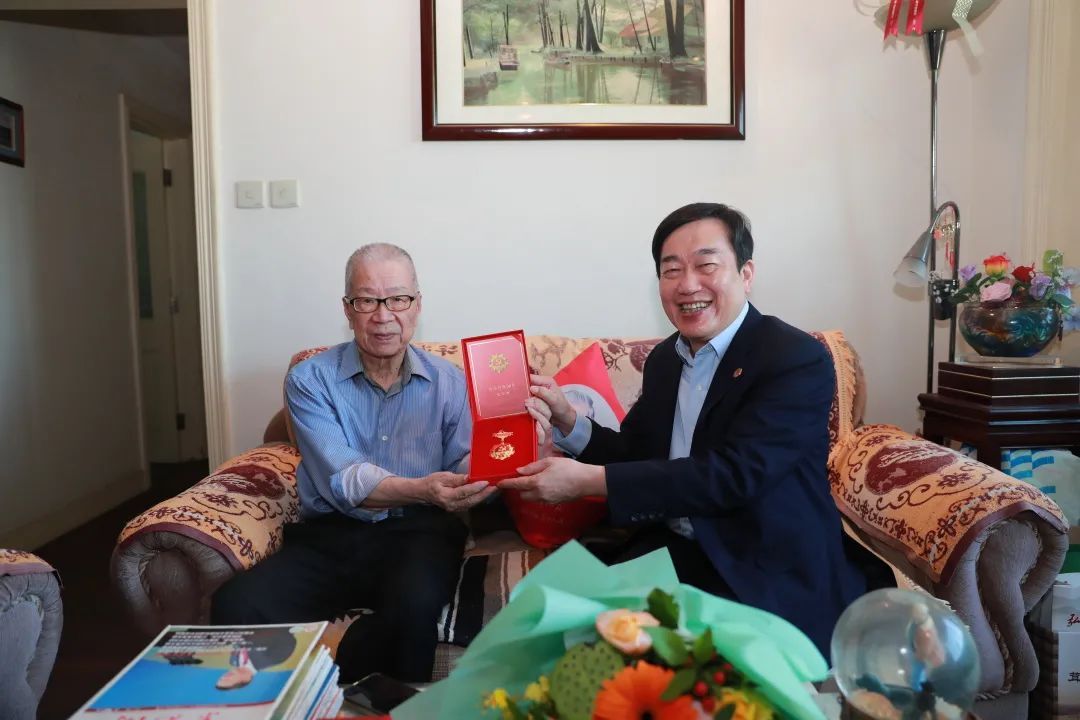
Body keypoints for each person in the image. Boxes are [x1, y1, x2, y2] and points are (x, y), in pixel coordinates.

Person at [502, 203, 871, 657]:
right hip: (675, 546)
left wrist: (589, 482)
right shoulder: (666, 360)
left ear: (746, 274)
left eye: (706, 265)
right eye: (671, 270)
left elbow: (735, 475)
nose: (688, 284)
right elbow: (636, 453)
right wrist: (568, 421)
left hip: (760, 561)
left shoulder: (792, 358)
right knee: (548, 629)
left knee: (638, 663)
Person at [211, 243, 497, 683]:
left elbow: (463, 464)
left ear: (417, 306)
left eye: (398, 299)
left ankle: (351, 683)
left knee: (414, 612)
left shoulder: (450, 382)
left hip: (420, 532)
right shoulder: (310, 379)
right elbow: (344, 478)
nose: (383, 316)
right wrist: (423, 487)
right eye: (367, 301)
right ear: (348, 310)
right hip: (331, 534)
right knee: (237, 604)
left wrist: (495, 466)